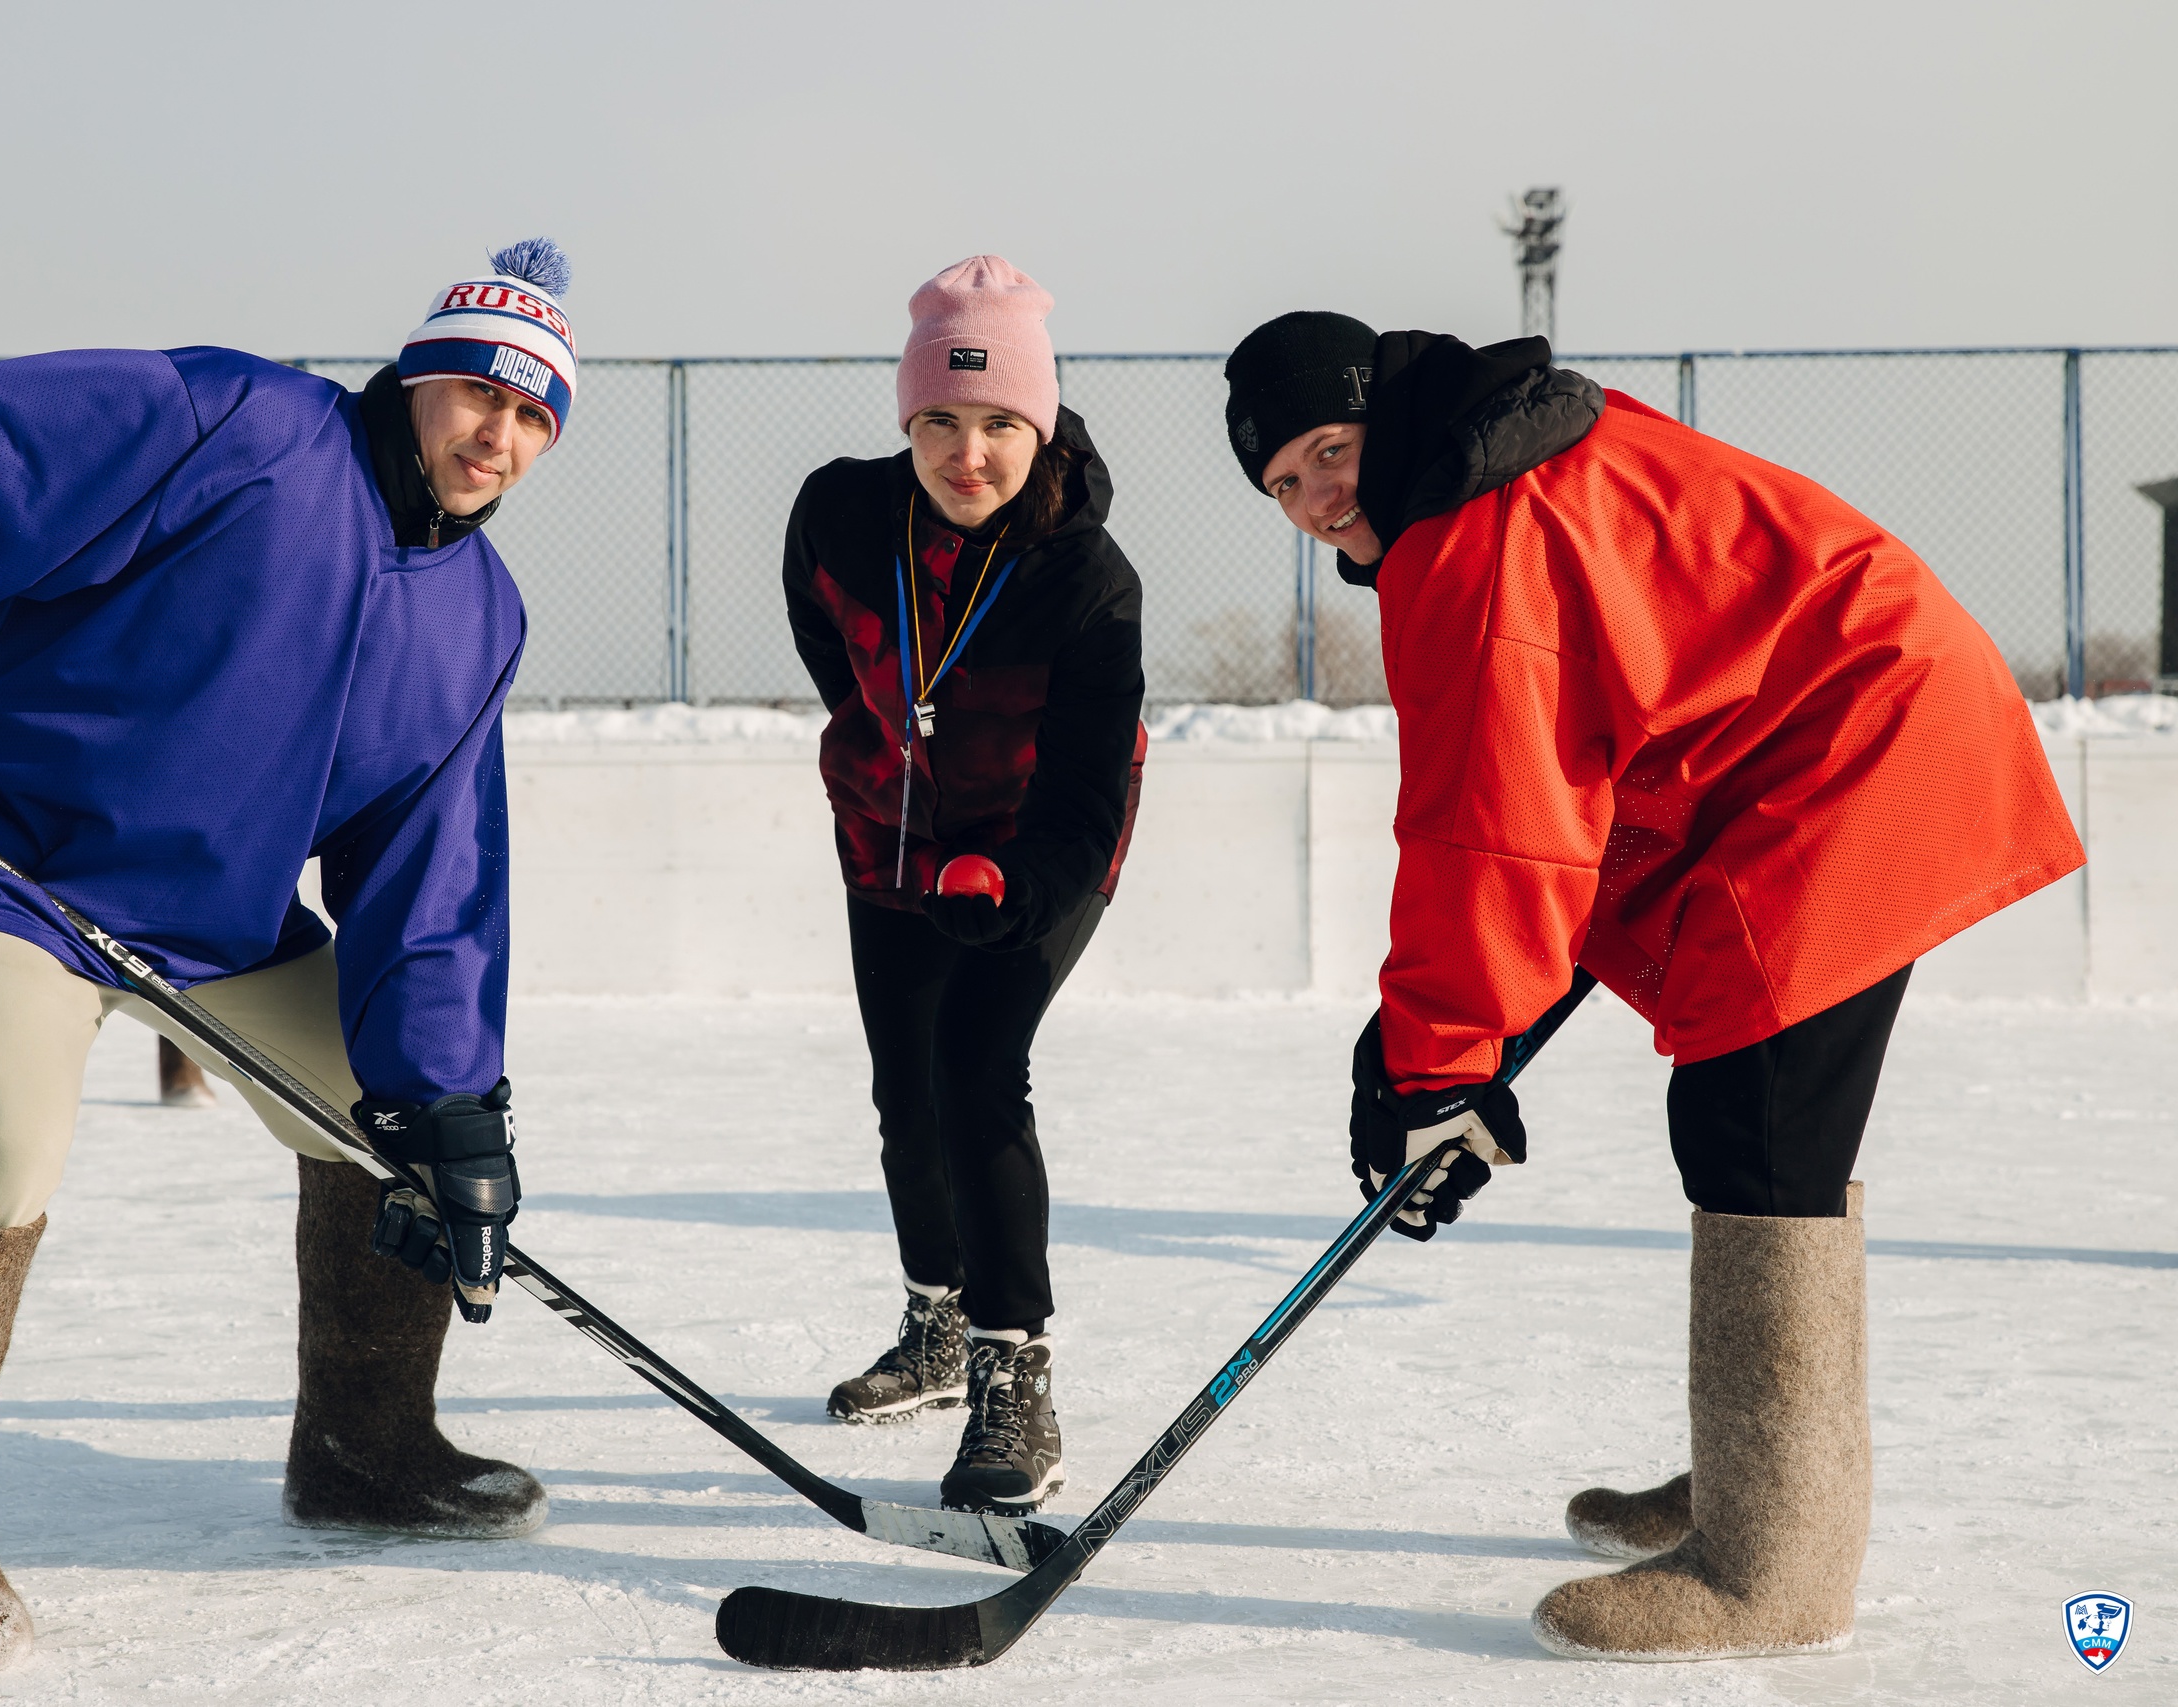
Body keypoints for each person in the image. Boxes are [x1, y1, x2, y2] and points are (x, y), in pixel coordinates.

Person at [0, 241, 583, 1673]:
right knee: (5, 1150)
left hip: (205, 926)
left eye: (535, 417)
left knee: (392, 1129)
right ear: (415, 378)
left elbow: (433, 863)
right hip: (7, 869)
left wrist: (451, 1095)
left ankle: (365, 1447)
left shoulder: (479, 616)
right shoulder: (244, 425)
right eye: (478, 392)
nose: (500, 436)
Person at [1220, 312, 2085, 1660]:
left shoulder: (1469, 537)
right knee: (1752, 1121)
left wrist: (1441, 1062)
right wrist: (1428, 1044)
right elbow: (1569, 788)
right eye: (1282, 485)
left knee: (1755, 1125)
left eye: (1328, 453)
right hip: (1825, 735)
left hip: (1846, 749)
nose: (1319, 501)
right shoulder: (1508, 466)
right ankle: (1763, 1481)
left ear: (1381, 423)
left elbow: (1496, 819)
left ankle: (1770, 1560)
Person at [781, 255, 1147, 1515]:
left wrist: (1023, 875)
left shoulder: (1087, 579)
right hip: (888, 838)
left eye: (998, 424)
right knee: (904, 1092)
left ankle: (1012, 1371)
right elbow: (833, 648)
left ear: (1036, 426)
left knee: (977, 1068)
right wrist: (893, 758)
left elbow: (1093, 780)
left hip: (1038, 851)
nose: (968, 454)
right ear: (906, 421)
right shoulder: (837, 515)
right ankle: (934, 1326)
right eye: (940, 421)